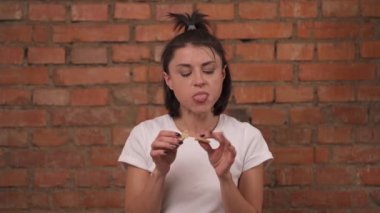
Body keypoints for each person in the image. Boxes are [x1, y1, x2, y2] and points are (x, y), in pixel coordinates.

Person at [118, 11, 273, 213]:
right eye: (185, 73)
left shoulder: (247, 137)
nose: (199, 81)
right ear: (169, 80)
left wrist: (225, 177)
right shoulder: (145, 135)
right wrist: (160, 171)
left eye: (208, 70)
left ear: (223, 74)